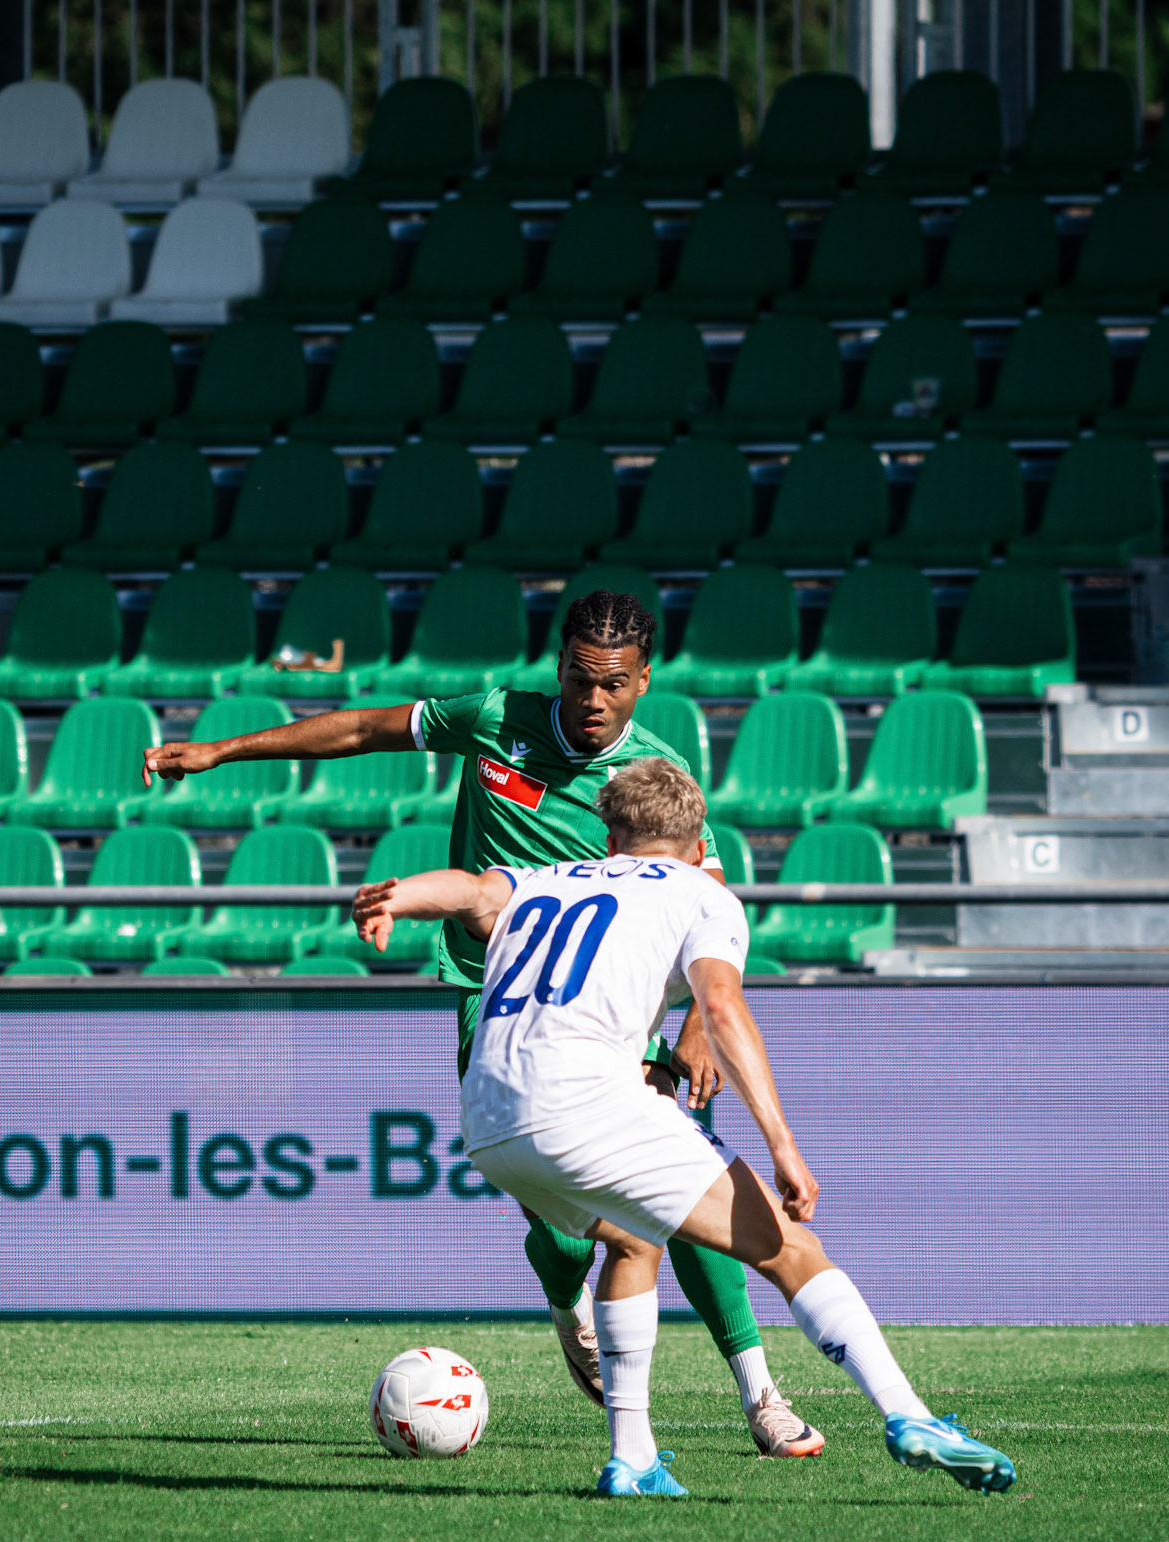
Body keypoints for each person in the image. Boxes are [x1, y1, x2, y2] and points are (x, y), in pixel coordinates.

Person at [143, 589, 821, 1461]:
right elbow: (359, 731)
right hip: (494, 997)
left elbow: (709, 908)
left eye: (612, 684)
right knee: (561, 1218)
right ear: (559, 668)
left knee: (684, 1189)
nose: (592, 699)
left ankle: (759, 1391)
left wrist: (694, 1033)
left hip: (611, 1014)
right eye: (579, 678)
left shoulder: (656, 778)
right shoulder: (495, 719)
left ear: (643, 681)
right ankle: (562, 1295)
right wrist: (219, 752)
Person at [351, 755, 1017, 1500]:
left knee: (635, 1238)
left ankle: (632, 1460)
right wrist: (782, 1144)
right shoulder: (702, 891)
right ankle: (910, 1416)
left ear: (608, 835)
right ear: (698, 844)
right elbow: (723, 1012)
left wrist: (395, 898)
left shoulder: (547, 878)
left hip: (489, 1118)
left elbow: (469, 891)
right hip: (585, 1104)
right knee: (791, 1247)